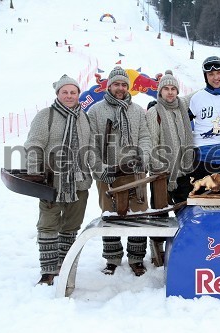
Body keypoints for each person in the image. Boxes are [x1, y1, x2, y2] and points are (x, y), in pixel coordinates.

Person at [24, 74, 92, 286]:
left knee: (71, 225)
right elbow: (33, 144)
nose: (69, 96)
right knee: (48, 224)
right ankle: (47, 271)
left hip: (79, 181)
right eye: (65, 92)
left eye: (73, 92)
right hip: (52, 181)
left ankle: (64, 263)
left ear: (79, 94)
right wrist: (36, 173)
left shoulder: (84, 117)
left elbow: (90, 148)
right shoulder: (46, 116)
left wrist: (99, 170)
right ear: (58, 94)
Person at [88, 66, 151, 276]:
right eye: (117, 84)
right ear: (109, 85)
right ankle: (112, 258)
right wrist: (99, 168)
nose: (121, 88)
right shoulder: (96, 111)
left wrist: (143, 156)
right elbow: (91, 144)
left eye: (124, 84)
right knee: (110, 215)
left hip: (135, 172)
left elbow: (145, 136)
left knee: (139, 215)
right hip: (108, 173)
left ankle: (136, 258)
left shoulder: (137, 110)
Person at [146, 70, 194, 265]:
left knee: (185, 210)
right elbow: (150, 142)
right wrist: (158, 167)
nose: (170, 92)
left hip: (183, 170)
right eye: (166, 88)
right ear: (160, 91)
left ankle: (184, 246)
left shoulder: (182, 107)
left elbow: (200, 93)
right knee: (160, 212)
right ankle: (157, 250)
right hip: (162, 172)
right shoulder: (154, 112)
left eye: (173, 88)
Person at [188, 56, 220, 199]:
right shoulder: (197, 98)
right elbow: (183, 118)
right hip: (202, 160)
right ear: (205, 77)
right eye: (211, 74)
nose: (215, 77)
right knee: (202, 202)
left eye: (218, 73)